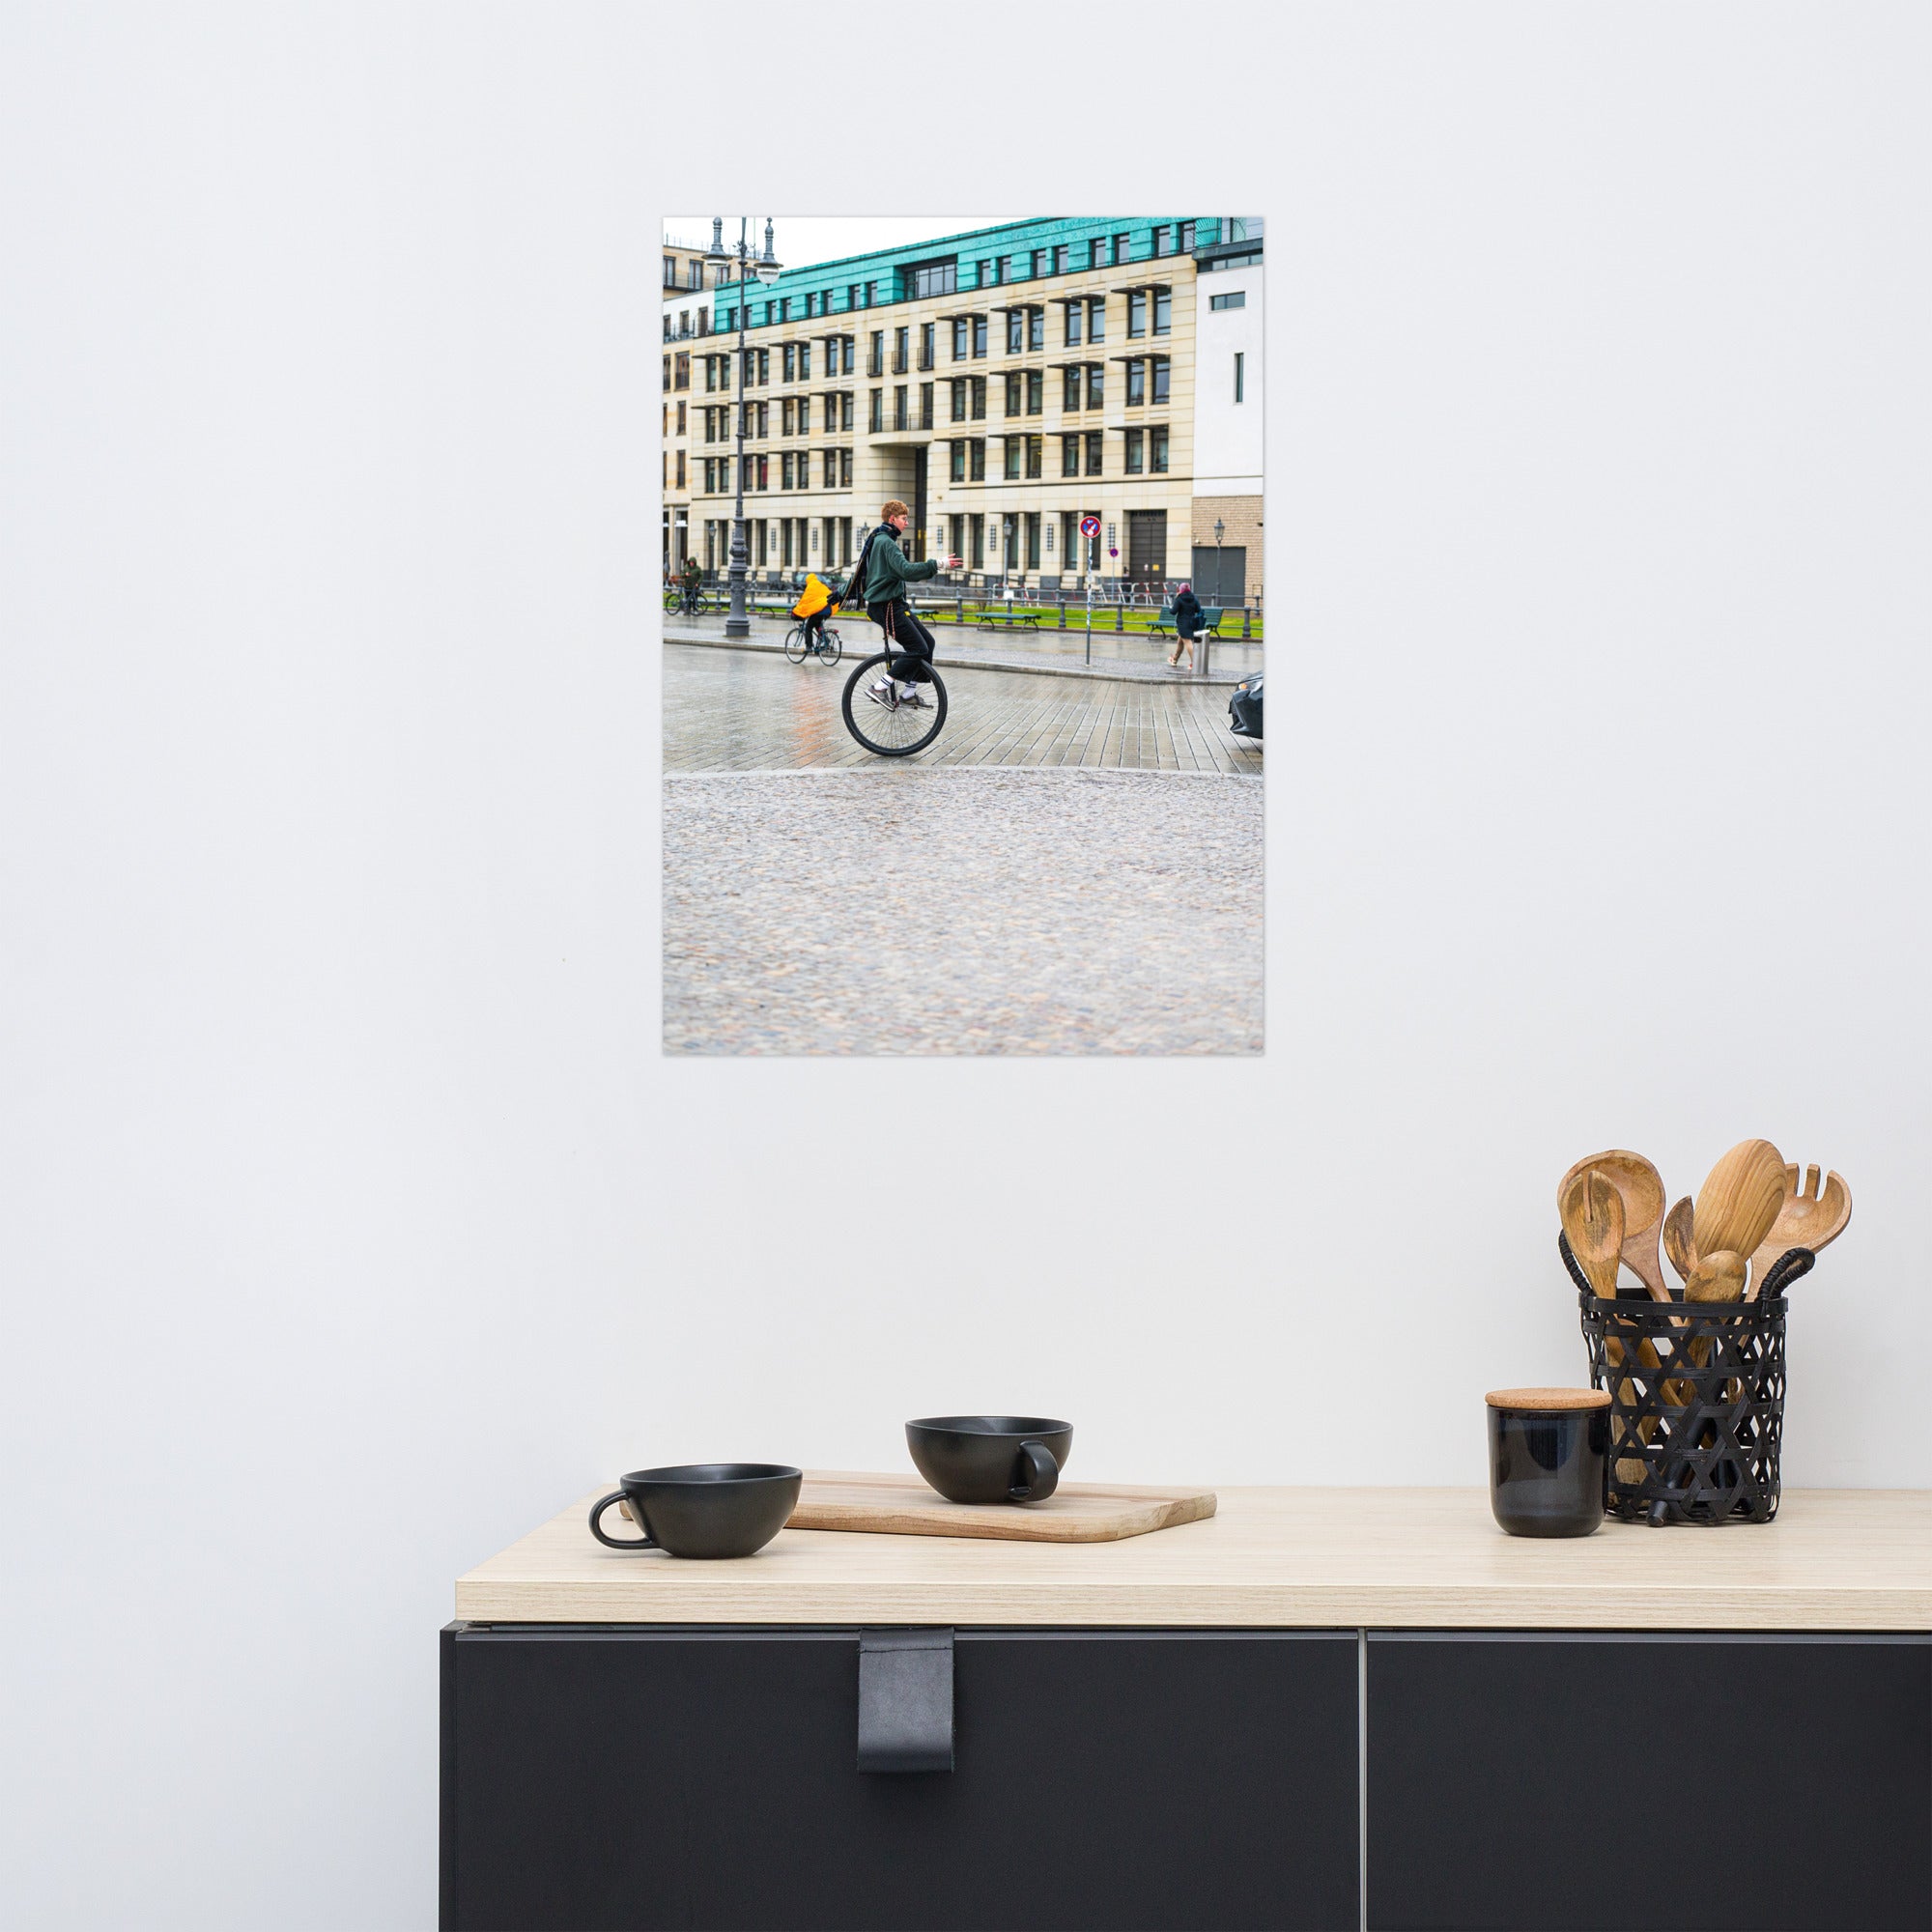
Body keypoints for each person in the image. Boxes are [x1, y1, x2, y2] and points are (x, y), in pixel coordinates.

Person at [859, 501, 960, 709]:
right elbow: (906, 570)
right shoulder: (886, 542)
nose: (907, 522)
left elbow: (861, 572)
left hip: (894, 605)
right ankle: (879, 688)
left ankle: (908, 693)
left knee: (928, 644)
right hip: (886, 607)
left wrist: (838, 595)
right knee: (917, 647)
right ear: (892, 519)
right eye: (904, 518)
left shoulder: (880, 540)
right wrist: (938, 564)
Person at [790, 570, 836, 651]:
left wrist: (796, 610)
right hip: (828, 610)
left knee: (808, 627)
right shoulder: (821, 585)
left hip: (820, 611)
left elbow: (805, 601)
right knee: (817, 625)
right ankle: (826, 641)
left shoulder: (811, 587)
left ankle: (809, 646)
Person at [1167, 582, 1205, 669]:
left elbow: (1173, 612)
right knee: (1180, 642)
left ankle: (1194, 663)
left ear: (1181, 589)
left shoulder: (1179, 598)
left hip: (1183, 623)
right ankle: (1174, 660)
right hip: (1191, 622)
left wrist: (1170, 608)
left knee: (1188, 642)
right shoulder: (1194, 598)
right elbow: (1198, 609)